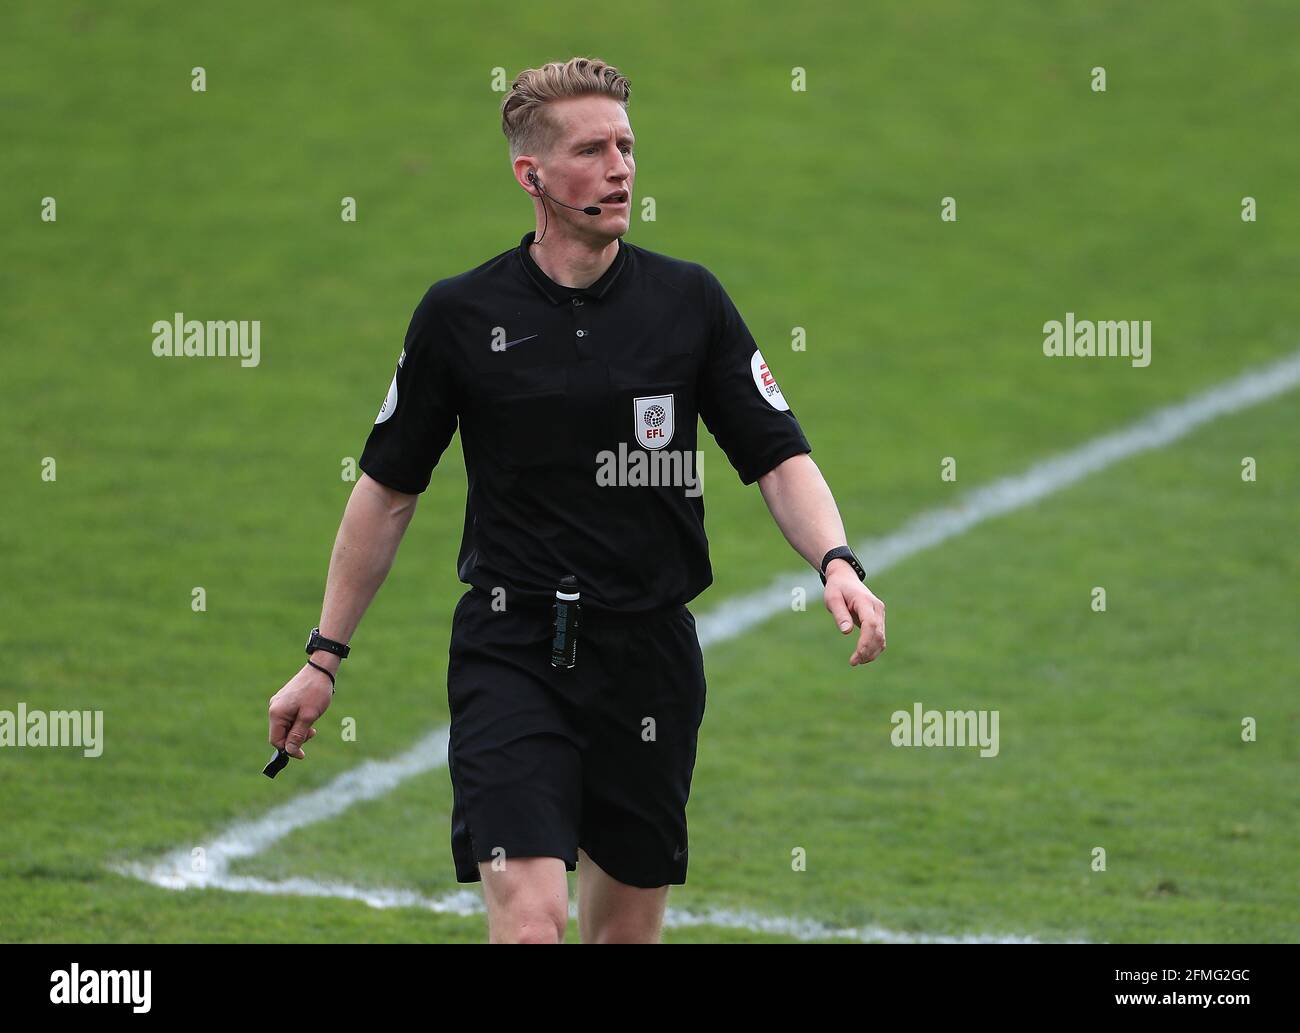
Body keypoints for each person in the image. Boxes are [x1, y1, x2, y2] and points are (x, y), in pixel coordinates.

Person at [267, 56, 885, 944]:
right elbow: (387, 493)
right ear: (533, 176)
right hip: (512, 650)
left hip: (649, 655)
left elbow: (777, 454)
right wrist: (323, 657)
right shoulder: (459, 315)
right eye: (592, 150)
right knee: (529, 929)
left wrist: (837, 560)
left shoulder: (689, 302)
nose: (620, 167)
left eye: (627, 147)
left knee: (621, 939)